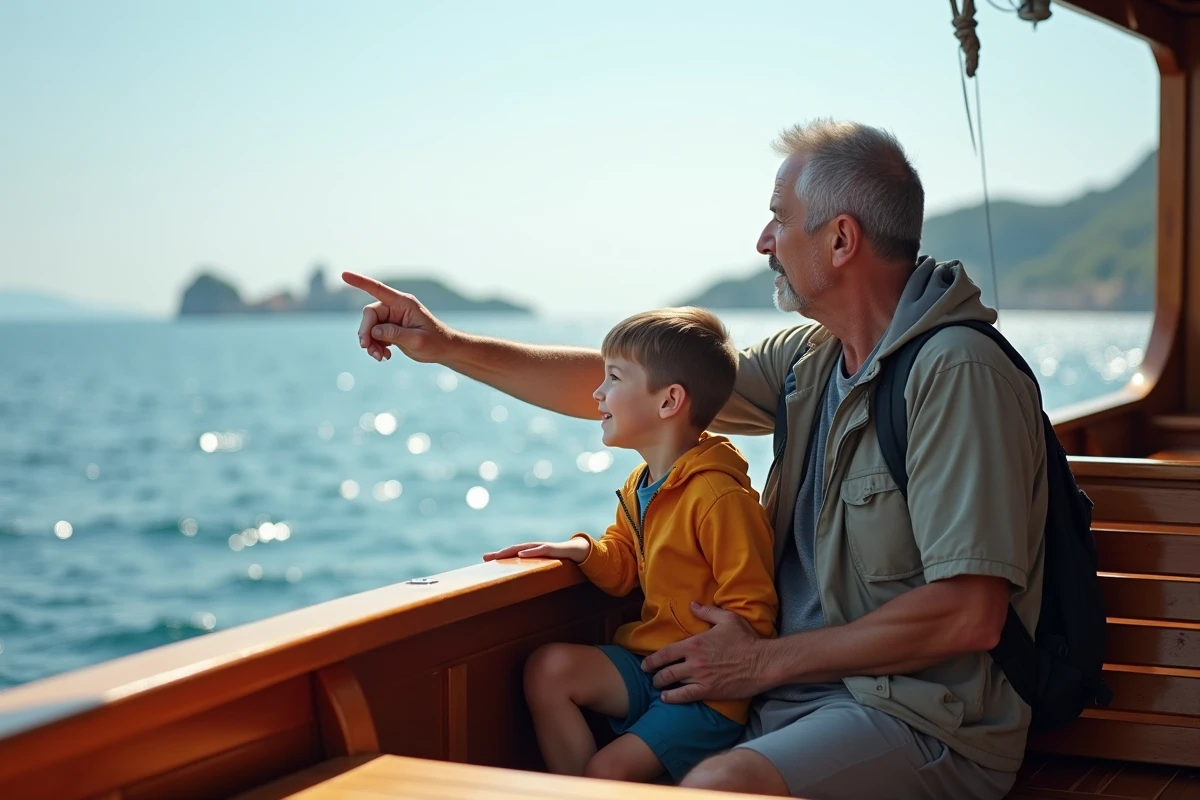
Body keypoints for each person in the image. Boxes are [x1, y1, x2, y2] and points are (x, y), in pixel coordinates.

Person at [342, 118, 1046, 800]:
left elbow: (968, 616)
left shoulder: (955, 374)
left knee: (713, 787)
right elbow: (646, 385)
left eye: (779, 216)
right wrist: (445, 345)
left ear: (839, 239)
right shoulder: (812, 358)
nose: (763, 239)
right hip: (792, 693)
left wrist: (762, 662)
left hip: (921, 717)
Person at [479, 307, 778, 784]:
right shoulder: (642, 483)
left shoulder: (719, 497)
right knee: (548, 670)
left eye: (613, 377)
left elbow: (754, 608)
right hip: (649, 664)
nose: (597, 392)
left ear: (669, 402)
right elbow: (622, 567)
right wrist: (581, 550)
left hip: (706, 691)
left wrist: (722, 653)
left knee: (605, 770)